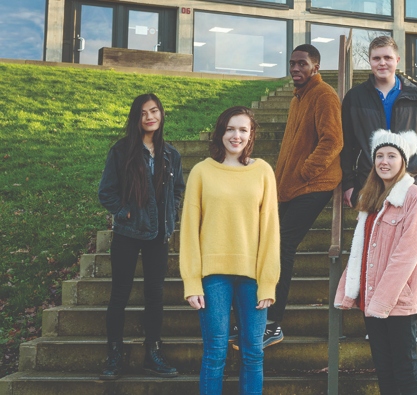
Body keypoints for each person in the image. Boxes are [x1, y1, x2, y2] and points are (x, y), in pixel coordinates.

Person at [340, 35, 417, 342]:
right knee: (376, 250)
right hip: (371, 183)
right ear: (368, 62)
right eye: (375, 58)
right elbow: (346, 143)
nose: (382, 63)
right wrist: (347, 182)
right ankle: (375, 312)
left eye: (387, 57)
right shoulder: (356, 97)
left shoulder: (415, 95)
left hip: (411, 181)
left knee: (410, 255)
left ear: (397, 61)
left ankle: (413, 317)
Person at [179, 106, 280, 395]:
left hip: (253, 277)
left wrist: (268, 281)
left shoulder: (263, 171)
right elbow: (188, 231)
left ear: (251, 135)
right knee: (214, 354)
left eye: (243, 130)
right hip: (213, 278)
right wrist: (191, 281)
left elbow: (271, 229)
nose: (237, 136)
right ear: (221, 132)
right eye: (231, 129)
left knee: (253, 353)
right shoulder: (201, 171)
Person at [248, 43, 342, 348]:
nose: (295, 69)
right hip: (289, 186)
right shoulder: (296, 99)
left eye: (302, 64)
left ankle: (274, 323)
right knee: (270, 244)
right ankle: (263, 317)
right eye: (292, 64)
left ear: (315, 66)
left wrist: (306, 170)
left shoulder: (324, 94)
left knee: (284, 244)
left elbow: (333, 140)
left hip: (315, 184)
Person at [335, 129, 417, 395]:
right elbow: (359, 251)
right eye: (379, 156)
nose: (384, 161)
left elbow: (407, 254)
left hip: (397, 301)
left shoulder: (413, 196)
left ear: (403, 161)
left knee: (405, 371)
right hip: (371, 297)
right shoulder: (371, 197)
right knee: (384, 371)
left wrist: (381, 301)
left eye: (391, 156)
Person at [97, 93, 183, 380]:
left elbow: (178, 190)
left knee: (155, 295)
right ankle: (114, 356)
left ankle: (153, 352)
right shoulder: (121, 152)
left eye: (155, 111)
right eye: (144, 113)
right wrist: (124, 212)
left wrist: (171, 212)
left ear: (161, 114)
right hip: (128, 234)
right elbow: (105, 192)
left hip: (158, 236)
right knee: (119, 294)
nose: (150, 117)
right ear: (136, 118)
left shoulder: (172, 155)